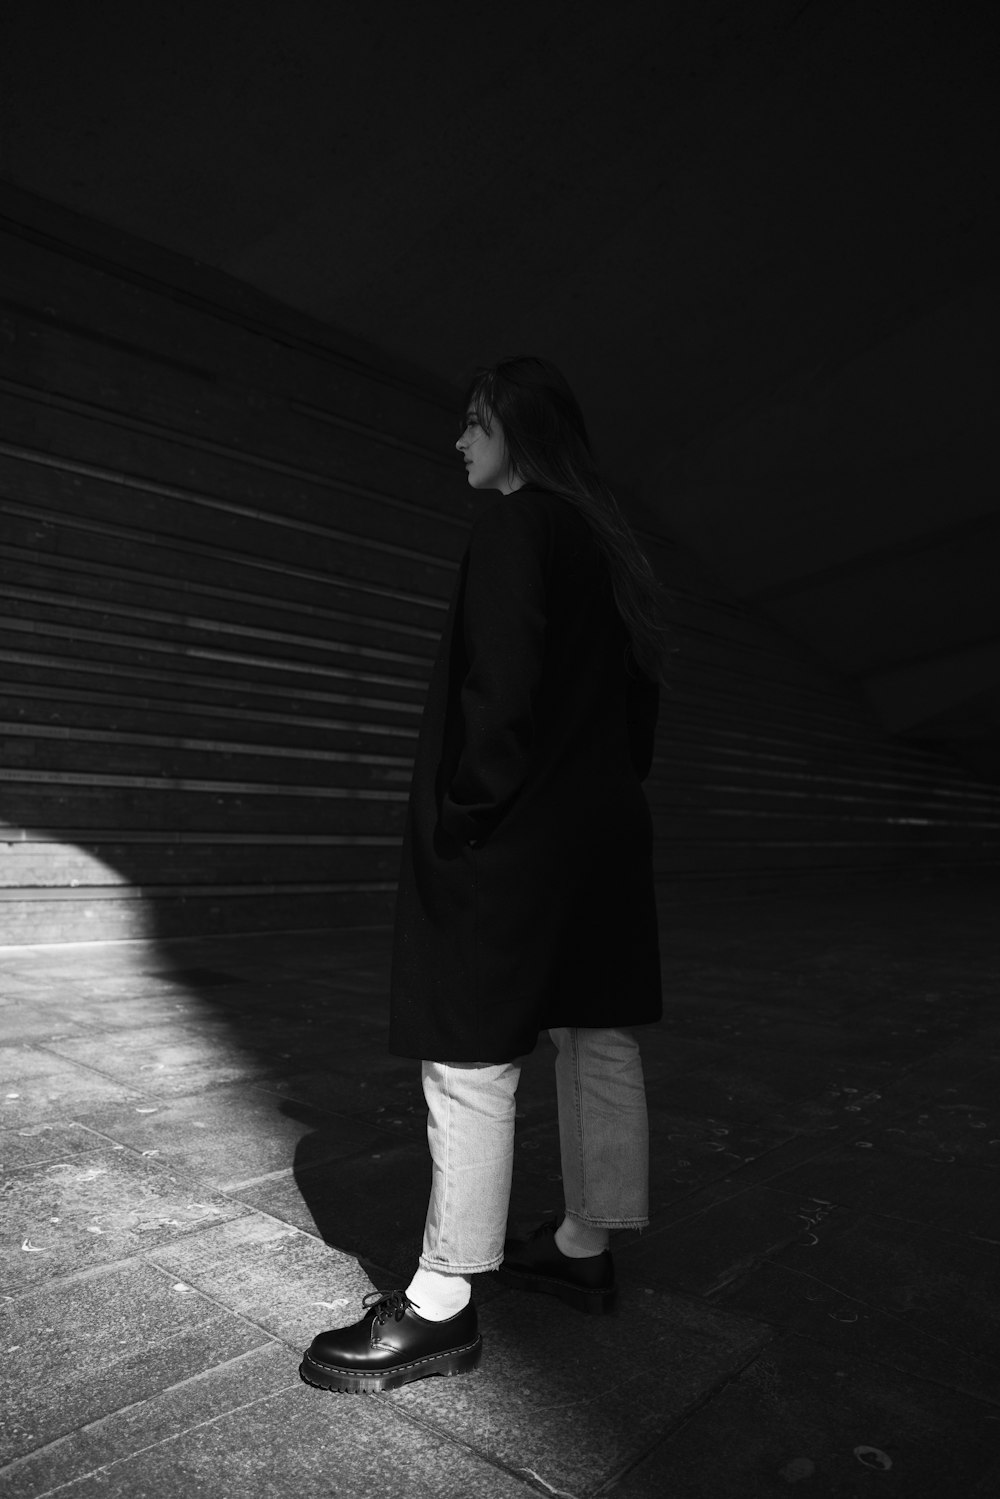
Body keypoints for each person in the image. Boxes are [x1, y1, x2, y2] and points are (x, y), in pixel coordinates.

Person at [300, 355, 667, 1395]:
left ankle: (441, 1301)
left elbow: (496, 692)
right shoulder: (610, 546)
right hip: (601, 834)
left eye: (473, 424)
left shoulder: (515, 527)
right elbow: (640, 712)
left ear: (519, 433)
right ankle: (586, 1244)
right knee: (594, 1034)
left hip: (514, 833)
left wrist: (466, 813)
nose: (459, 442)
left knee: (469, 1053)